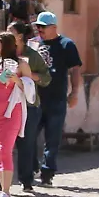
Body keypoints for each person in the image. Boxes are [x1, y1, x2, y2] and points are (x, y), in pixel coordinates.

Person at [0, 32, 34, 197]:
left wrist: (16, 78)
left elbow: (30, 88)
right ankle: (3, 188)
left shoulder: (21, 64)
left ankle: (6, 191)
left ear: (6, 45)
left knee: (5, 150)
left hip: (11, 112)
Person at [33, 12, 83, 186]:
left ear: (54, 27)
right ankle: (32, 167)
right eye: (38, 27)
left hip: (57, 98)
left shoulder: (66, 45)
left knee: (52, 138)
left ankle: (47, 173)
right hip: (35, 98)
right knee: (29, 135)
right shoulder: (35, 44)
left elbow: (75, 69)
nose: (39, 30)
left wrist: (75, 92)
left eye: (43, 27)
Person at [6, 22, 51, 193]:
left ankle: (26, 180)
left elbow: (47, 78)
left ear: (19, 36)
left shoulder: (32, 55)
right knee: (5, 143)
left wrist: (29, 75)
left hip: (29, 105)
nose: (7, 34)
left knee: (26, 143)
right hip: (7, 103)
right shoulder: (4, 53)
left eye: (11, 32)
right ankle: (0, 181)